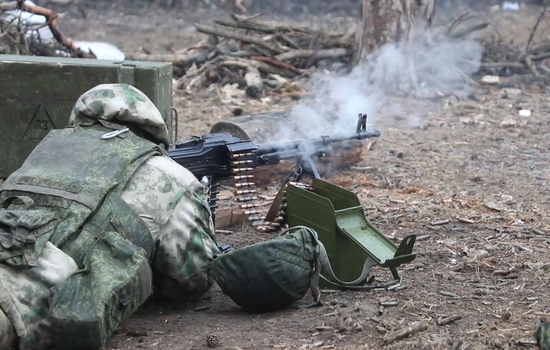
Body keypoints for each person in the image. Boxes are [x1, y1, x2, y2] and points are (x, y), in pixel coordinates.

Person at [0, 83, 220, 350]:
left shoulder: (43, 152)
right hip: (24, 306)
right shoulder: (167, 172)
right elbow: (194, 278)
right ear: (152, 128)